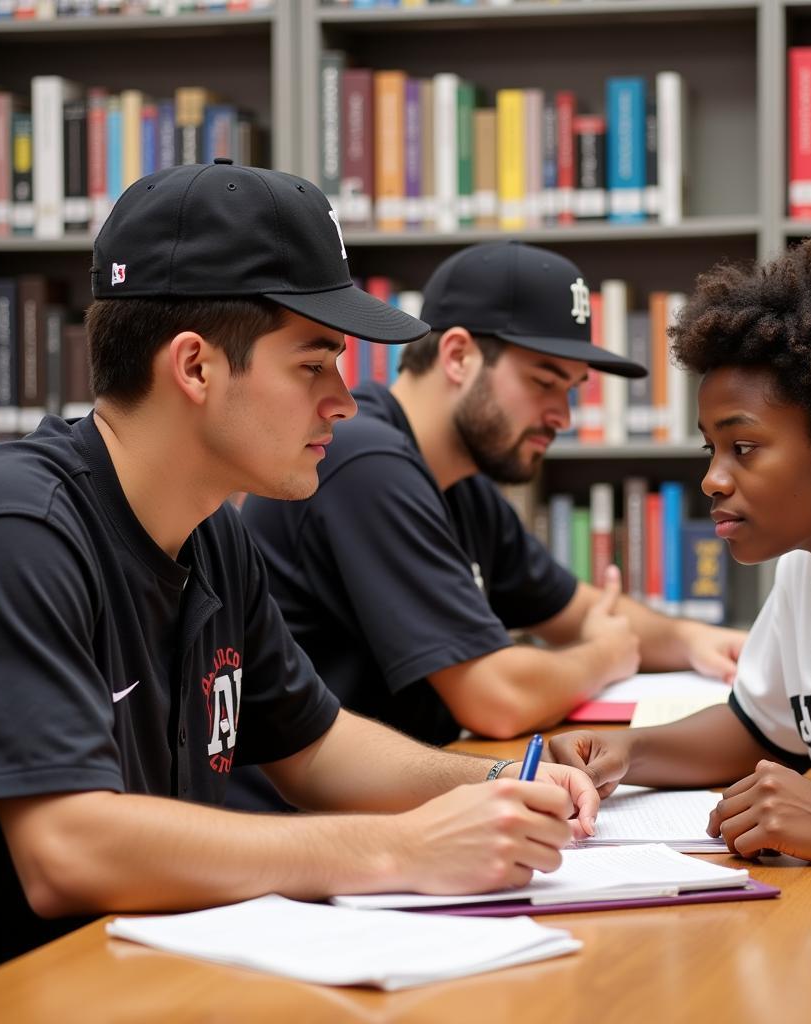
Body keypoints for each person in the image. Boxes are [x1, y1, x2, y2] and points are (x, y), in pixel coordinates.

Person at [0, 161, 599, 983]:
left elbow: (317, 745)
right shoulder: (16, 527)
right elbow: (67, 851)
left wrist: (502, 781)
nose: (342, 398)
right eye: (313, 363)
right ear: (195, 368)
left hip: (157, 980)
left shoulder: (215, 536)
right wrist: (401, 847)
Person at [550, 239, 811, 867]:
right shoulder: (808, 561)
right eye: (710, 451)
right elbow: (761, 730)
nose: (713, 481)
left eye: (743, 448)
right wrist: (630, 752)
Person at [240, 240, 746, 758]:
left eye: (571, 391)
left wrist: (691, 640)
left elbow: (578, 608)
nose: (562, 417)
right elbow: (497, 698)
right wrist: (605, 655)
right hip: (303, 818)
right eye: (544, 382)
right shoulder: (363, 462)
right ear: (458, 356)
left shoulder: (462, 483)